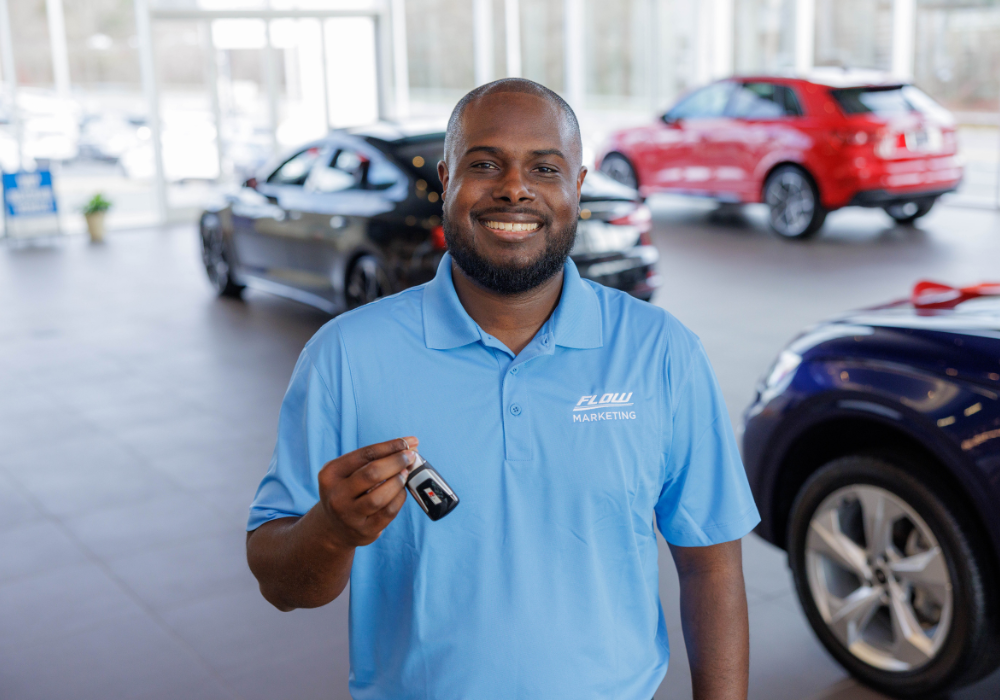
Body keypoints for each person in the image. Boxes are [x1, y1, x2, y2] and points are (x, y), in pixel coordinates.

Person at [246, 78, 760, 700]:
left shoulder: (661, 351)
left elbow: (711, 565)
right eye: (485, 164)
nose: (515, 188)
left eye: (544, 168)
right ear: (446, 180)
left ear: (577, 185)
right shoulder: (346, 356)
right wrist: (332, 529)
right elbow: (281, 585)